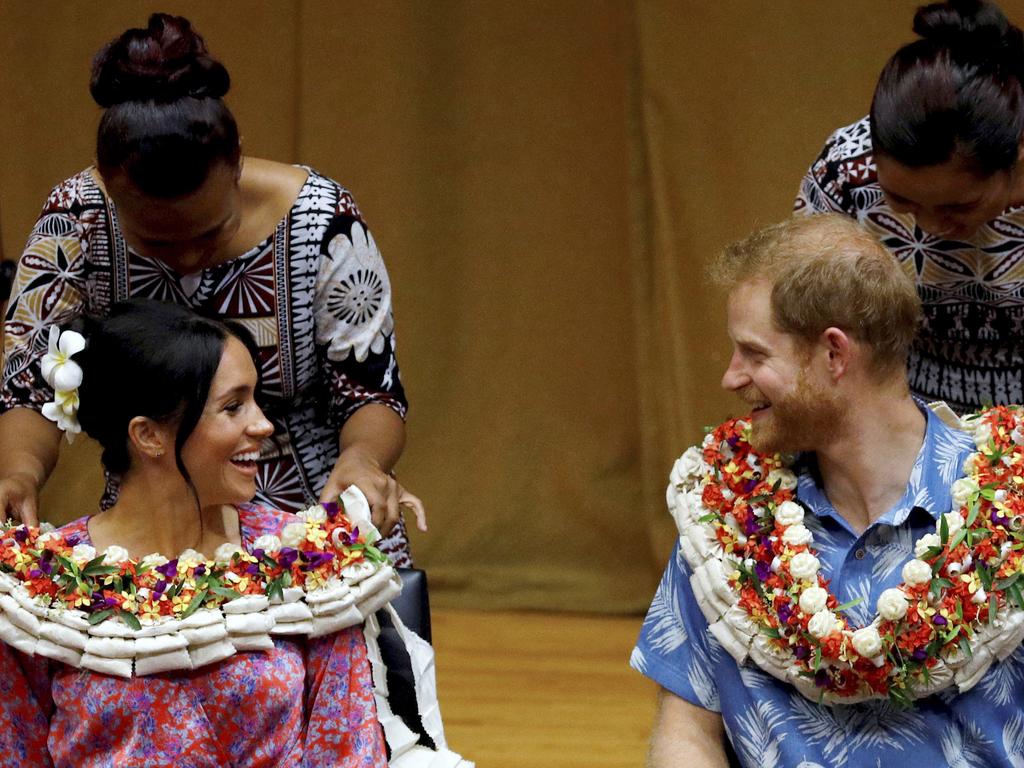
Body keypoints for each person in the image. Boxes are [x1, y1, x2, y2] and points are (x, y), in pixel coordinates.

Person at [0, 13, 424, 566]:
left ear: (237, 161)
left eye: (209, 231)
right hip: (153, 547)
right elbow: (32, 385)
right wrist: (20, 472)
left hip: (320, 529)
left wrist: (365, 460)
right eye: (155, 242)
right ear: (106, 185)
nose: (188, 260)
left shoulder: (323, 221)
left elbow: (371, 391)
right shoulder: (76, 220)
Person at [631, 214, 1024, 766]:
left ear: (834, 354)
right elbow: (686, 732)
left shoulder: (1011, 510)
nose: (731, 377)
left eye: (754, 353)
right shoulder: (724, 514)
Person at [0, 299, 389, 766]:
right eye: (233, 407)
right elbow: (16, 749)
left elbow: (347, 747)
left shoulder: (309, 561)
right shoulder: (41, 586)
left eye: (256, 400)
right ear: (149, 435)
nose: (263, 424)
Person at [796, 0, 1024, 414]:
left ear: (1017, 155)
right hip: (898, 414)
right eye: (902, 200)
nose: (932, 226)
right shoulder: (845, 173)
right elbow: (809, 323)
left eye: (960, 205)